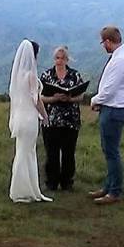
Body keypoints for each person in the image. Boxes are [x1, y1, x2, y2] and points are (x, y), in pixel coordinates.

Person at [89, 26, 124, 205]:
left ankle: (114, 191)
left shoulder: (119, 60)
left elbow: (109, 89)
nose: (103, 46)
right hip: (113, 107)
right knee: (109, 150)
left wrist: (95, 100)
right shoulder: (120, 56)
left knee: (111, 151)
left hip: (113, 109)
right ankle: (109, 186)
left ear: (108, 41)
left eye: (103, 42)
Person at [8, 39, 52, 203]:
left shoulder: (17, 75)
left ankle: (24, 188)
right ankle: (22, 190)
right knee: (27, 153)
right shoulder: (30, 75)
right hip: (29, 118)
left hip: (19, 117)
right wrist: (45, 115)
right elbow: (36, 99)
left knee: (22, 151)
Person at [39, 45, 85, 191]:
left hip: (70, 120)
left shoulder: (75, 75)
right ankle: (51, 182)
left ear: (67, 59)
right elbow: (39, 98)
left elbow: (81, 95)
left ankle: (67, 182)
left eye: (62, 58)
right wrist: (54, 98)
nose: (59, 61)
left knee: (68, 152)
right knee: (51, 152)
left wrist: (69, 98)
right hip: (51, 120)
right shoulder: (46, 76)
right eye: (57, 58)